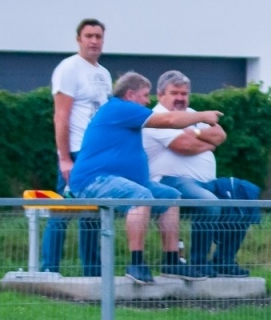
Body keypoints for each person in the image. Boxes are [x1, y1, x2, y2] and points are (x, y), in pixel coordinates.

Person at [68, 72, 218, 283]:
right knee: (141, 195)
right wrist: (202, 116)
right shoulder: (120, 107)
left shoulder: (126, 112)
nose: (148, 101)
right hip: (93, 181)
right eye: (145, 95)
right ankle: (136, 263)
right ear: (131, 94)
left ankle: (172, 262)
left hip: (119, 181)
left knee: (170, 196)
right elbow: (169, 119)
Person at [143, 70, 260, 277]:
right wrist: (207, 143)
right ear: (161, 95)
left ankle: (224, 261)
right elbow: (183, 145)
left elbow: (220, 134)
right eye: (174, 93)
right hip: (170, 182)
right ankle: (198, 263)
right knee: (209, 202)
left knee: (243, 194)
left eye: (184, 93)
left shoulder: (193, 114)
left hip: (206, 181)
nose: (180, 98)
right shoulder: (157, 117)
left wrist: (195, 132)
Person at [45, 18, 110, 275]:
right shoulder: (69, 68)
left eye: (98, 36)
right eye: (89, 36)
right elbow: (61, 116)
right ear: (78, 39)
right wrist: (64, 158)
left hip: (98, 153)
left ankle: (92, 273)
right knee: (63, 209)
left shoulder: (103, 73)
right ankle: (49, 269)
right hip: (76, 151)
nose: (94, 41)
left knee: (93, 212)